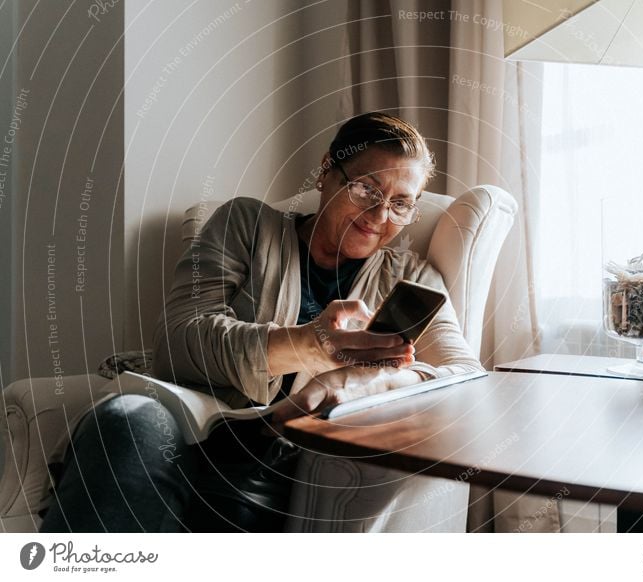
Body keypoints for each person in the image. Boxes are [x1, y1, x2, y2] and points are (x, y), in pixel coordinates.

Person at [40, 112, 482, 532]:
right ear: (327, 170)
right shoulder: (246, 225)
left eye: (401, 203)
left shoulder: (412, 277)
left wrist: (357, 383)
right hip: (187, 429)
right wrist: (313, 343)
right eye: (367, 189)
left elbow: (465, 379)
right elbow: (178, 339)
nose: (381, 216)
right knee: (123, 421)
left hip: (281, 462)